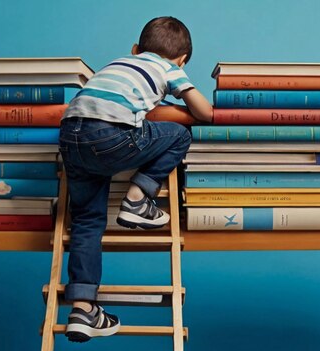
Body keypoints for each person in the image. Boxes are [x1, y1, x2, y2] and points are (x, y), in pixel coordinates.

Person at [58, 16, 212, 342]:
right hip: (112, 135)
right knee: (179, 136)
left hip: (71, 136)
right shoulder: (170, 68)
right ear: (182, 60)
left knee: (86, 220)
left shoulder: (118, 64)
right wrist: (184, 95)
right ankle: (139, 198)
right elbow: (204, 112)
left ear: (135, 48)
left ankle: (82, 309)